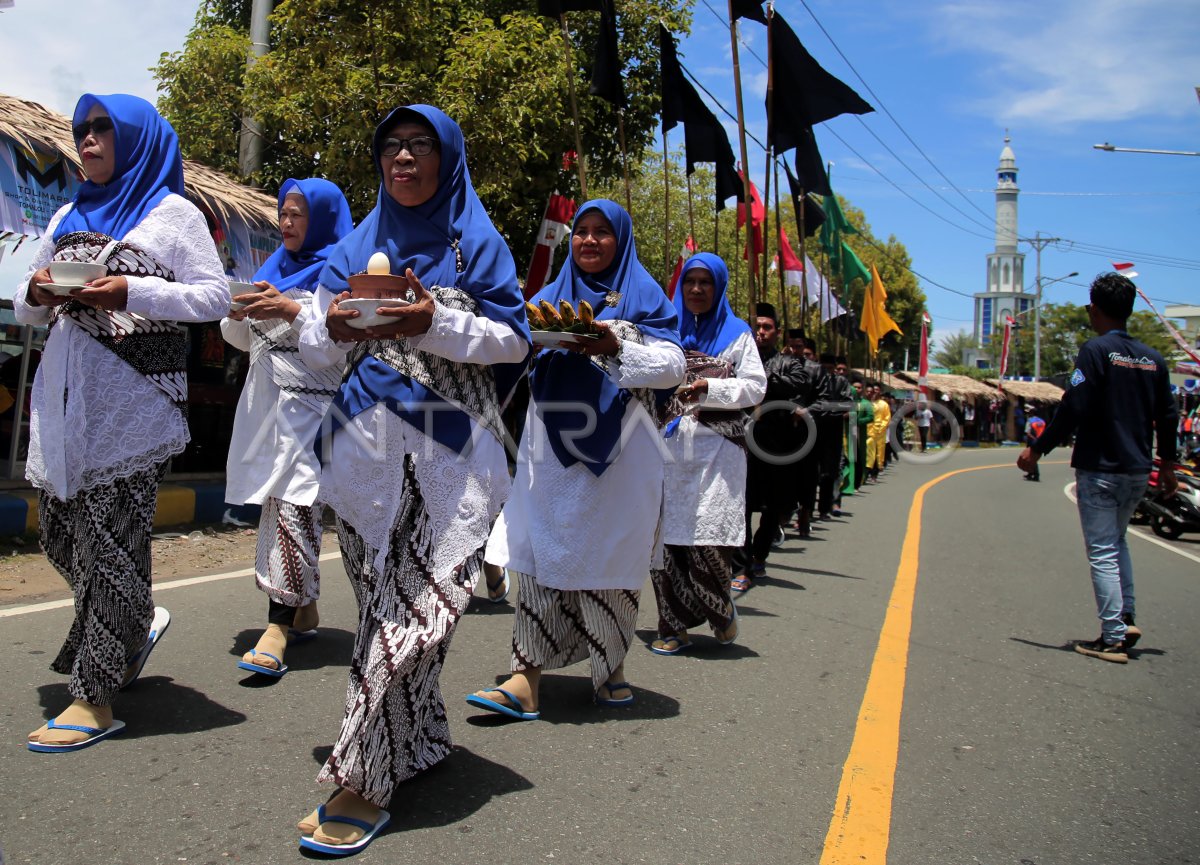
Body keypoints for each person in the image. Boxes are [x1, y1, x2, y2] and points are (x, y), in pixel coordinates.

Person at [295, 105, 530, 853]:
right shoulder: (358, 241)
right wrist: (327, 327)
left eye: (420, 145)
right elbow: (314, 344)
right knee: (378, 607)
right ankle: (418, 739)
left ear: (447, 156)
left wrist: (429, 320)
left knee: (411, 609)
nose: (403, 157)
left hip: (450, 455)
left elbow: (513, 339)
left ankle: (361, 775)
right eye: (392, 146)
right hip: (361, 449)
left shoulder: (477, 242)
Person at [17, 94, 229, 751]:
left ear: (135, 138)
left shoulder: (174, 215)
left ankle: (94, 695)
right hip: (65, 399)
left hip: (134, 400)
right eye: (82, 130)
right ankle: (130, 619)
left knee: (110, 544)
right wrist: (35, 293)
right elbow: (31, 305)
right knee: (58, 532)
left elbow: (214, 295)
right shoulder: (68, 211)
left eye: (102, 128)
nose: (87, 139)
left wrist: (129, 290)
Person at [470, 199, 684, 719]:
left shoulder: (645, 294)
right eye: (581, 231)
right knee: (542, 548)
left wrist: (614, 347)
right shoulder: (546, 297)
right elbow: (512, 349)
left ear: (621, 239)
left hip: (624, 448)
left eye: (601, 233)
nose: (588, 241)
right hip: (549, 445)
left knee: (611, 553)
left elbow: (673, 363)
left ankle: (610, 665)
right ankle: (525, 675)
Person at [222, 178, 353, 677]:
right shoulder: (274, 266)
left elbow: (341, 341)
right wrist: (239, 313)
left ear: (319, 217)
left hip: (316, 408)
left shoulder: (340, 272)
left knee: (294, 508)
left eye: (298, 213)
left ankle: (277, 624)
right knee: (280, 505)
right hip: (266, 404)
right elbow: (241, 339)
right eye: (284, 212)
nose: (287, 222)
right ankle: (303, 609)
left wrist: (293, 311)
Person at [1018, 272, 1178, 664]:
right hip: (1139, 469)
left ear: (1096, 308)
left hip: (1101, 468)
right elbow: (1169, 416)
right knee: (1118, 541)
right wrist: (1169, 466)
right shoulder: (1152, 359)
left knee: (1103, 549)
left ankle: (1112, 637)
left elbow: (1073, 406)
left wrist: (1037, 450)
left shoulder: (1095, 351)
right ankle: (1125, 616)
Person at [648, 253, 765, 654]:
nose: (697, 290)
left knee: (708, 539)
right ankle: (672, 626)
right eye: (690, 282)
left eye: (706, 283)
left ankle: (720, 611)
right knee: (666, 541)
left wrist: (710, 389)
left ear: (719, 287)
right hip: (666, 448)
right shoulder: (664, 329)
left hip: (718, 453)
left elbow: (755, 387)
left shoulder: (738, 335)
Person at [734, 306, 813, 589]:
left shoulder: (789, 363)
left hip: (777, 447)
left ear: (776, 332)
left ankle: (760, 555)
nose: (761, 332)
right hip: (742, 443)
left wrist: (761, 379)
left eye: (767, 327)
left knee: (771, 508)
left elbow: (798, 383)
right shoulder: (739, 357)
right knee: (740, 506)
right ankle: (741, 566)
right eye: (757, 326)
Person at [866, 385, 891, 481]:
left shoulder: (884, 404)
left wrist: (882, 427)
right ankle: (866, 472)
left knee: (877, 452)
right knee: (867, 452)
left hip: (879, 432)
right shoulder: (867, 403)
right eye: (874, 390)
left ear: (880, 392)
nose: (875, 392)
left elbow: (887, 418)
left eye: (877, 390)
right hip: (868, 430)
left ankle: (874, 473)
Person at [1022, 406, 1046, 481]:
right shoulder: (1042, 421)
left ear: (1031, 413)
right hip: (1040, 440)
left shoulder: (1030, 421)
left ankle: (1036, 474)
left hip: (1032, 441)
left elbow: (1028, 433)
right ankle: (1030, 473)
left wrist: (1028, 441)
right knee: (1034, 457)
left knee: (1031, 458)